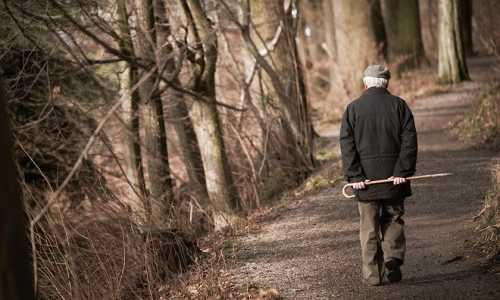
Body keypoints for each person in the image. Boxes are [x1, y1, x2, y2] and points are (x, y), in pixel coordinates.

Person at [339, 65, 418, 286]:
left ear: (365, 84)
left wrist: (355, 176)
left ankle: (373, 275)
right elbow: (409, 142)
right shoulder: (399, 106)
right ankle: (393, 257)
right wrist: (402, 171)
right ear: (387, 83)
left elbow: (347, 146)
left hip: (365, 182)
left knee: (369, 228)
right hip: (394, 180)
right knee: (393, 218)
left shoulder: (352, 109)